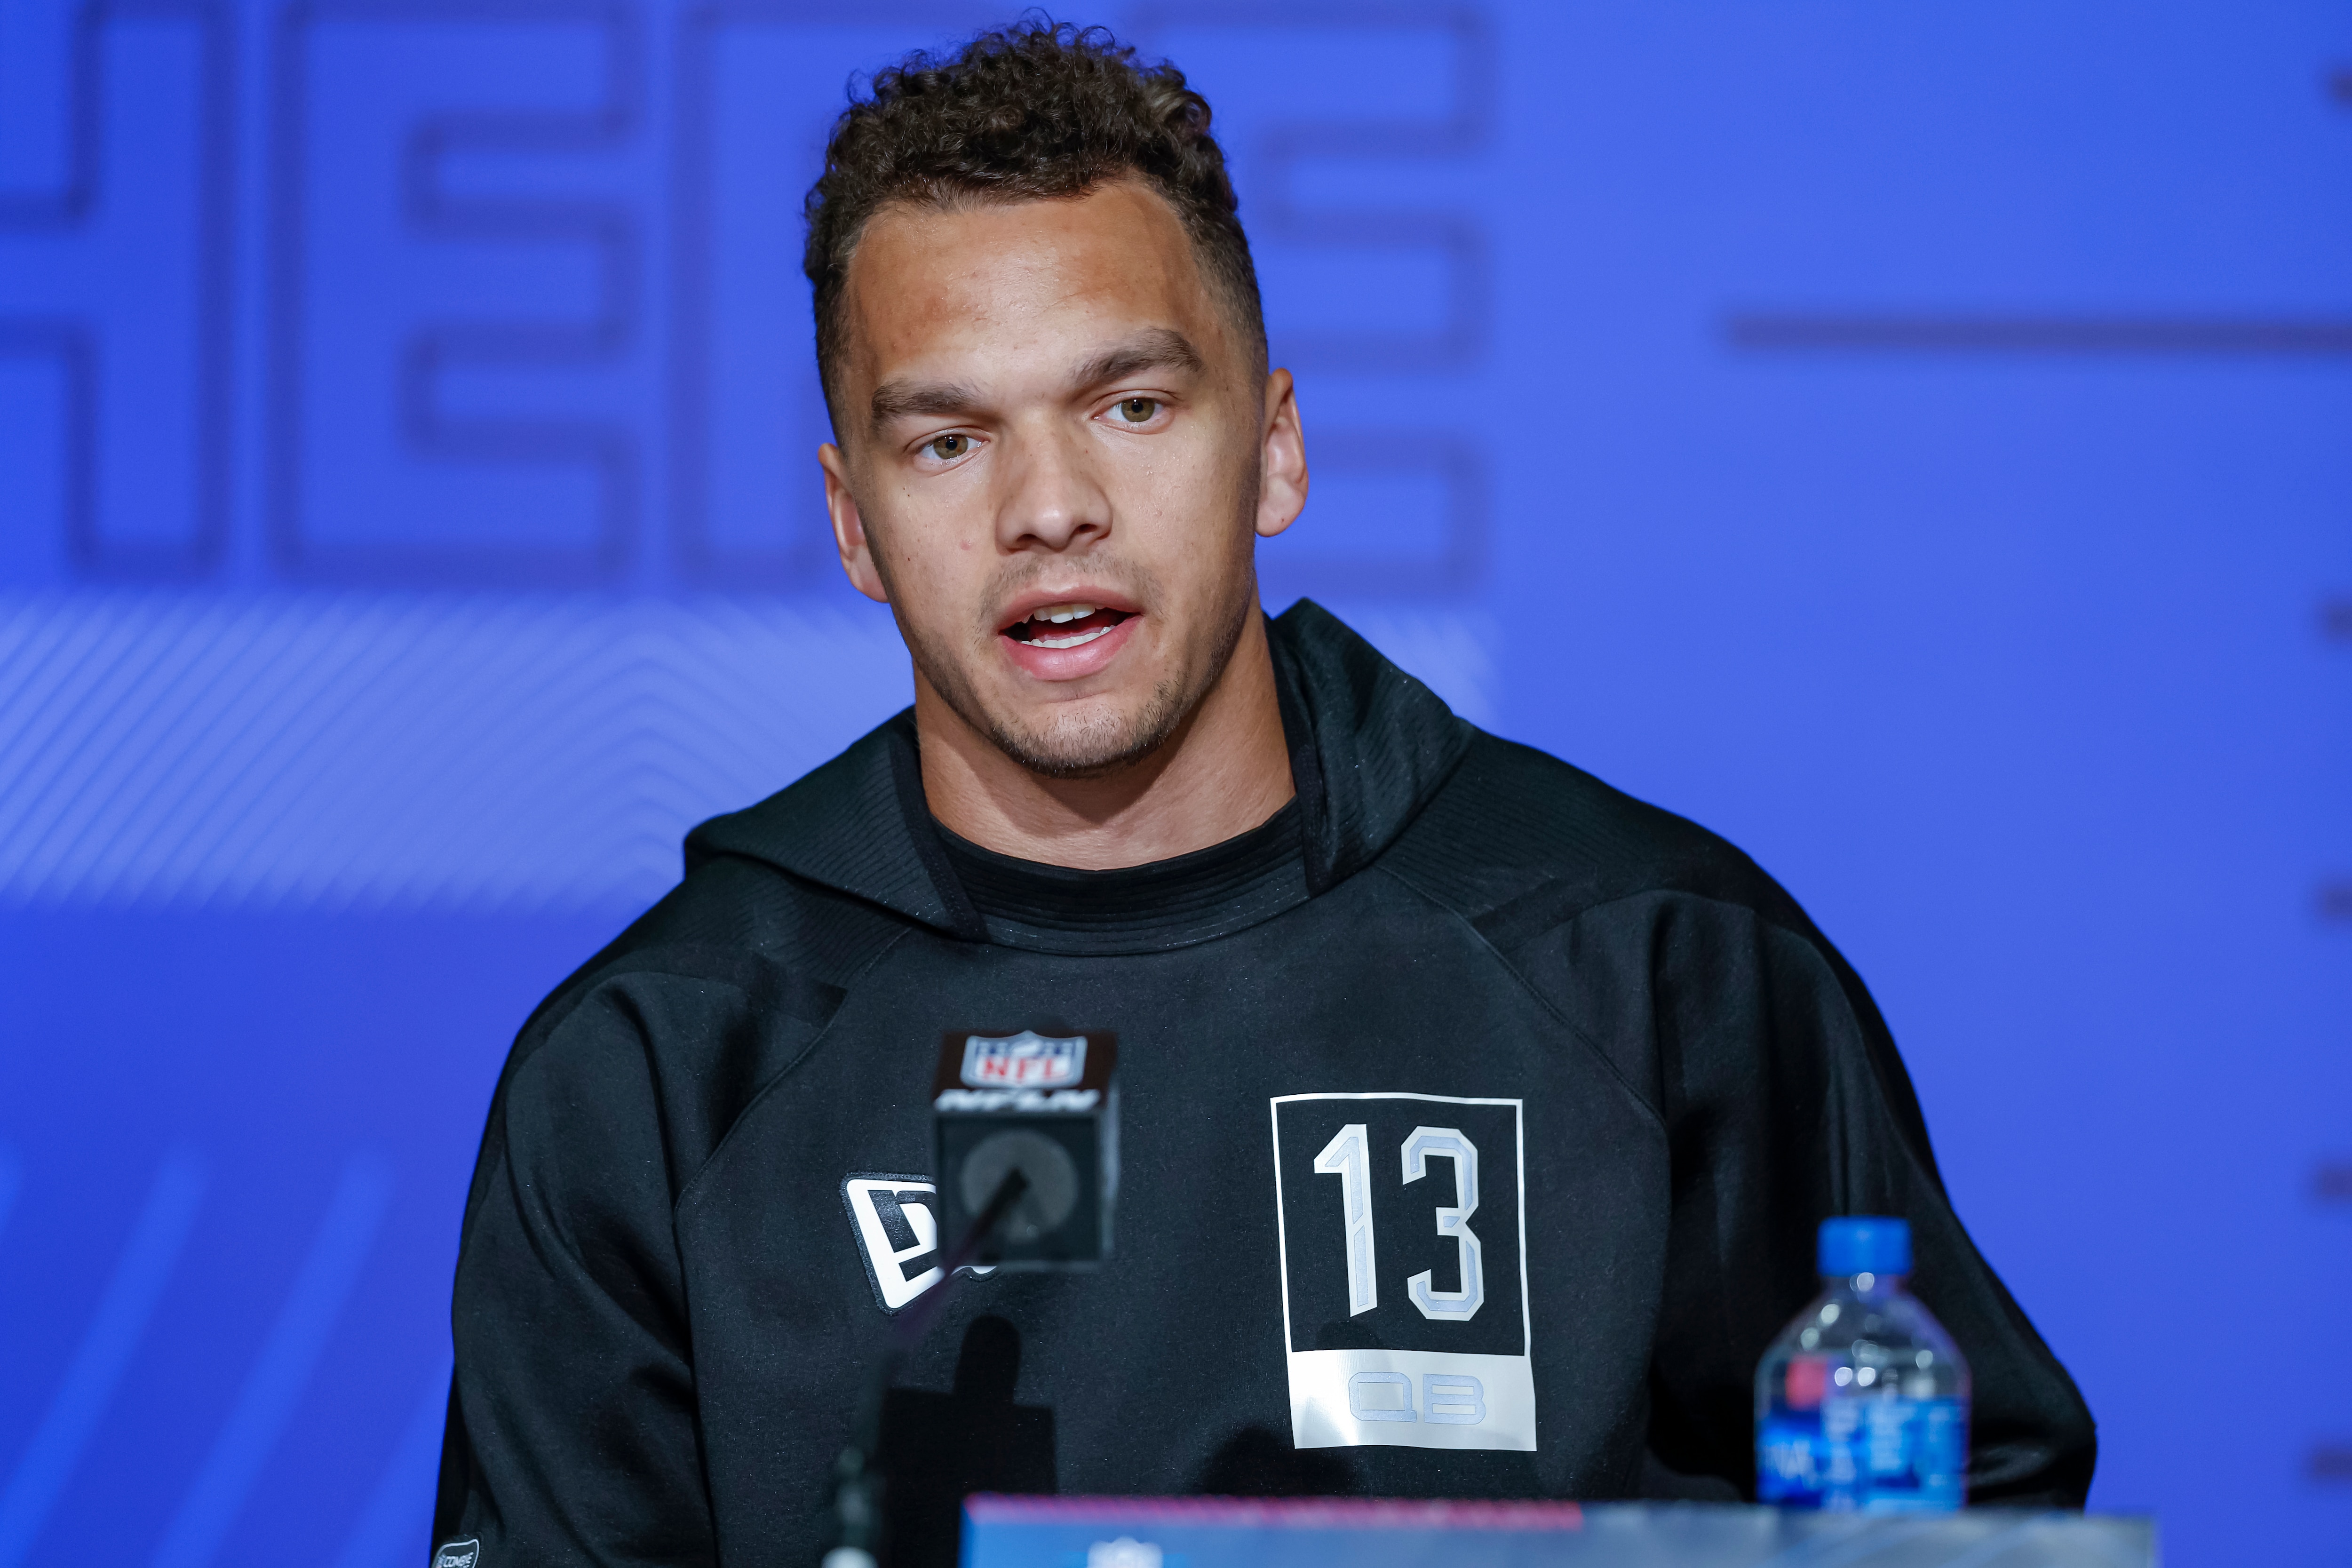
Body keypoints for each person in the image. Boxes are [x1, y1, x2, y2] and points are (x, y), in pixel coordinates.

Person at [433, 20, 2094, 1566]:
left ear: (1278, 449)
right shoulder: (659, 1071)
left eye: (1132, 406)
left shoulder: (1651, 962)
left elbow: (1965, 1524)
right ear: (853, 523)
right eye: (947, 442)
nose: (1050, 507)